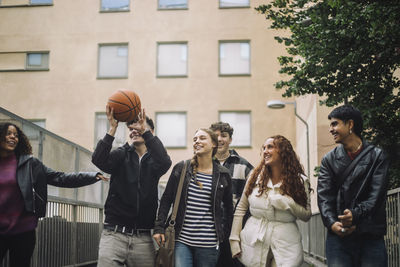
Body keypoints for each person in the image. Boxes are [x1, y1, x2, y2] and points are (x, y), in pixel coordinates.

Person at [0, 122, 107, 267]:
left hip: (23, 230)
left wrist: (91, 176)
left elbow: (60, 178)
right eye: (8, 133)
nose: (13, 137)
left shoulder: (30, 164)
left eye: (16, 135)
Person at [92, 106, 172, 267]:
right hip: (114, 234)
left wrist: (145, 132)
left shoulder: (155, 161)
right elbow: (98, 160)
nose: (134, 130)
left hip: (142, 238)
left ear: (150, 132)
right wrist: (112, 129)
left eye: (139, 127)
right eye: (131, 128)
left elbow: (165, 162)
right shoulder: (122, 154)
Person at [317, 105, 390, 267]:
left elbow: (376, 197)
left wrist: (355, 215)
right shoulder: (329, 160)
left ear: (350, 124)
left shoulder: (377, 156)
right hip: (339, 237)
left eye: (335, 124)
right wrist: (331, 223)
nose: (331, 129)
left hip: (370, 235)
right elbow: (324, 197)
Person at [153, 128, 233, 267]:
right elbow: (166, 199)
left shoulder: (223, 174)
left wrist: (224, 235)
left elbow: (228, 208)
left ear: (213, 144)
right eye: (195, 139)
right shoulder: (182, 168)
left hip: (209, 244)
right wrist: (159, 227)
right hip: (181, 241)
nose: (197, 141)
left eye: (202, 138)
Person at [230, 135, 311, 267]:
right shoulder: (255, 176)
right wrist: (234, 239)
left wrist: (288, 203)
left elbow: (306, 215)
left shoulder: (299, 181)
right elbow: (241, 207)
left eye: (270, 147)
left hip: (286, 243)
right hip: (254, 240)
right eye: (264, 147)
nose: (265, 151)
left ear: (283, 151)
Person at [209, 121, 253, 267]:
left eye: (224, 135)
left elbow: (253, 200)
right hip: (207, 231)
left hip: (235, 232)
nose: (220, 139)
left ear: (230, 140)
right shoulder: (203, 165)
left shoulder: (244, 166)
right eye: (215, 136)